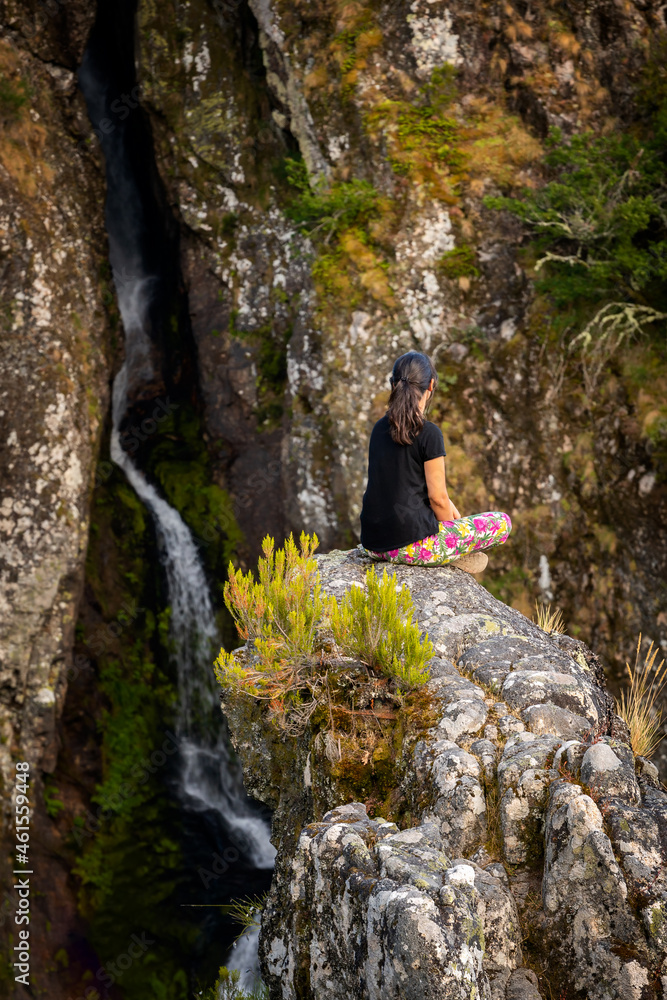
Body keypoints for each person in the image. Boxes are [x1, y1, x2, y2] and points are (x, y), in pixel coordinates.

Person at [359, 351, 511, 572]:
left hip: (373, 544)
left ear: (393, 384)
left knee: (452, 514)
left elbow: (412, 489)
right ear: (430, 385)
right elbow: (437, 498)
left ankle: (449, 553)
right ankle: (448, 555)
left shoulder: (378, 428)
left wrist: (453, 513)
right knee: (502, 522)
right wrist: (452, 538)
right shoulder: (429, 433)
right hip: (408, 546)